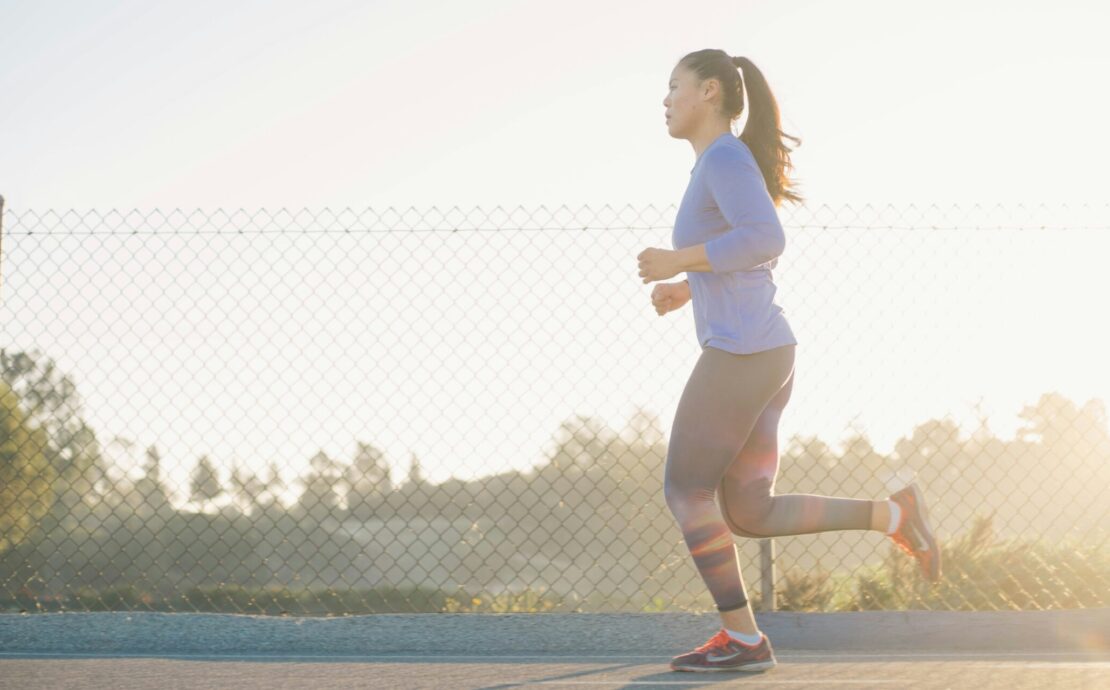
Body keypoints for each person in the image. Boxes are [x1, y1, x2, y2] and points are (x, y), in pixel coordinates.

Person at [636, 49, 941, 674]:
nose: (665, 100)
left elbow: (766, 238)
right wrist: (688, 286)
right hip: (766, 351)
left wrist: (679, 260)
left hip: (745, 353)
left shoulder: (722, 157)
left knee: (686, 489)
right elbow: (748, 253)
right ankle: (896, 515)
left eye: (675, 87)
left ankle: (744, 641)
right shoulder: (716, 163)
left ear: (711, 92)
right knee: (748, 510)